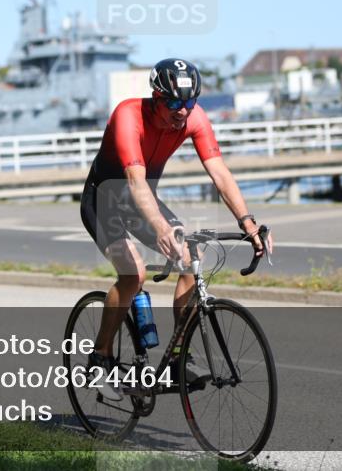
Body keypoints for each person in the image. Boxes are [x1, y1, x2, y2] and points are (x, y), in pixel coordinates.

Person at [79, 58, 272, 400]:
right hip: (105, 199)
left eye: (189, 102)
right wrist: (161, 228)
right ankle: (99, 359)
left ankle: (178, 358)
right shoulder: (128, 116)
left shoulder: (193, 118)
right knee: (133, 274)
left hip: (142, 201)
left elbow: (220, 174)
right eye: (173, 102)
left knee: (189, 256)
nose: (182, 111)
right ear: (156, 96)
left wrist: (247, 222)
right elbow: (136, 181)